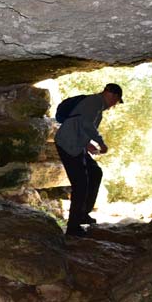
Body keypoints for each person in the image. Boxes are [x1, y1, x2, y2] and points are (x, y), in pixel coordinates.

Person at [54, 83, 123, 237]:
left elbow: (79, 123)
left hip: (76, 145)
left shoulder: (95, 104)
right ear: (111, 95)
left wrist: (87, 144)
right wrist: (101, 143)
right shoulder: (95, 102)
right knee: (80, 184)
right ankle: (73, 227)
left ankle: (83, 214)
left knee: (95, 172)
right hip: (68, 145)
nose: (114, 105)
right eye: (116, 101)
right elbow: (87, 125)